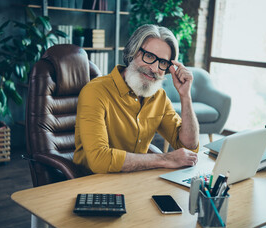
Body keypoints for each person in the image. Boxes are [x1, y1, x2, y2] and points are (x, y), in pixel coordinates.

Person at [73, 24, 199, 173]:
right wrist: (165, 159)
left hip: (136, 178)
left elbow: (188, 147)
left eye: (163, 63)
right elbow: (99, 160)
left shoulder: (159, 97)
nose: (154, 68)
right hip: (91, 182)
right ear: (133, 52)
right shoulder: (95, 91)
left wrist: (185, 96)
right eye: (149, 56)